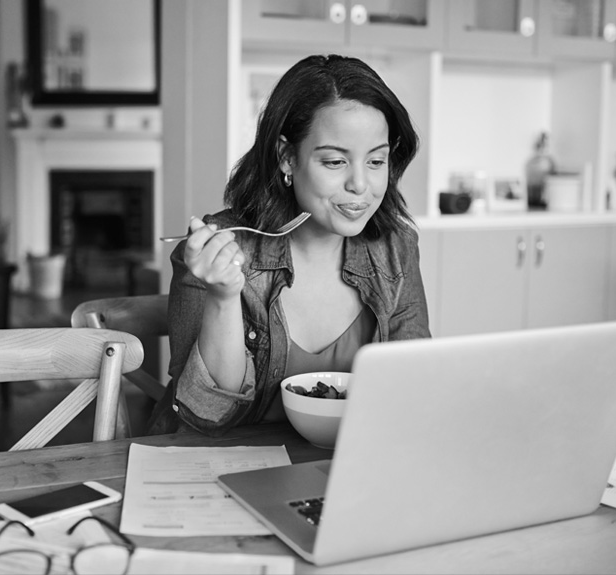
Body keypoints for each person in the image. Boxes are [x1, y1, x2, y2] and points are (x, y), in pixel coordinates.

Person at [148, 54, 431, 437]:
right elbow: (207, 415)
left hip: (342, 466)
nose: (361, 185)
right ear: (286, 157)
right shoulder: (221, 249)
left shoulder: (395, 246)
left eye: (377, 161)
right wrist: (223, 297)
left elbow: (414, 386)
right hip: (224, 467)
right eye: (334, 162)